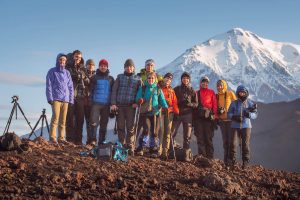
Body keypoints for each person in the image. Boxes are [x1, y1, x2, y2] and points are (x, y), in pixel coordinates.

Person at [110, 59, 142, 155]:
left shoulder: (138, 79)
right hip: (119, 106)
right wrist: (113, 103)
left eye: (131, 66)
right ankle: (121, 145)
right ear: (124, 67)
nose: (129, 68)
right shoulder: (119, 77)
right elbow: (114, 90)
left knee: (130, 127)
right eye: (127, 66)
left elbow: (140, 93)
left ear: (133, 68)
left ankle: (130, 146)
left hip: (131, 107)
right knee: (120, 126)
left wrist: (137, 102)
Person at [135, 72, 168, 158]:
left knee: (155, 132)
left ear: (155, 80)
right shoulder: (143, 88)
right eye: (149, 78)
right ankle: (141, 147)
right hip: (145, 113)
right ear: (146, 79)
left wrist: (165, 107)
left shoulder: (158, 89)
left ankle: (153, 149)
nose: (150, 80)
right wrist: (139, 100)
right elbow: (137, 97)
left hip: (155, 113)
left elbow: (162, 99)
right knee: (146, 129)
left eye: (152, 78)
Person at [227, 85, 257, 169]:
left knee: (245, 145)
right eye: (240, 92)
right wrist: (234, 117)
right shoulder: (234, 103)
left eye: (243, 92)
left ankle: (245, 162)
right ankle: (232, 162)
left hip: (246, 126)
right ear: (237, 93)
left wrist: (250, 114)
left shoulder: (250, 103)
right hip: (234, 126)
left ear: (246, 93)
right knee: (233, 144)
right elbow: (228, 114)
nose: (242, 94)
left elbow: (255, 114)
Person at [46, 53, 74, 143]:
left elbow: (70, 87)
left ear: (66, 62)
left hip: (65, 100)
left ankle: (61, 138)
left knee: (63, 120)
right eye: (61, 59)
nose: (62, 61)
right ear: (57, 60)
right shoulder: (52, 71)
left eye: (64, 60)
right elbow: (48, 85)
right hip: (56, 99)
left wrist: (71, 99)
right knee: (55, 118)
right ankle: (52, 138)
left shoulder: (67, 73)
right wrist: (50, 98)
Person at [171, 72, 198, 160]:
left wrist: (190, 104)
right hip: (177, 114)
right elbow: (172, 101)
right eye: (184, 78)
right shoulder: (176, 89)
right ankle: (170, 152)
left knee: (187, 136)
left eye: (187, 78)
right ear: (181, 79)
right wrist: (179, 103)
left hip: (188, 115)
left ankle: (186, 155)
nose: (185, 80)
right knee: (172, 133)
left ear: (189, 80)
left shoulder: (192, 90)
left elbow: (196, 104)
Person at [65, 50, 89, 145]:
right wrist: (76, 75)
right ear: (73, 57)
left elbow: (88, 81)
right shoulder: (68, 66)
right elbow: (68, 77)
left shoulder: (83, 68)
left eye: (79, 57)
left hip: (80, 96)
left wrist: (82, 76)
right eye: (76, 57)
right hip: (70, 96)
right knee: (70, 118)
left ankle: (78, 140)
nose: (78, 59)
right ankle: (70, 139)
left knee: (80, 119)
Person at [90, 59, 114, 145]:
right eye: (101, 65)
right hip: (96, 103)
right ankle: (93, 140)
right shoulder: (94, 77)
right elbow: (91, 91)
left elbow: (112, 92)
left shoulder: (111, 79)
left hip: (106, 105)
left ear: (107, 67)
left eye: (105, 66)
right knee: (94, 122)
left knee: (104, 124)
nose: (103, 67)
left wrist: (112, 104)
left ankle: (102, 141)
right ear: (99, 66)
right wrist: (91, 103)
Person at [193, 76, 217, 159]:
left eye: (206, 82)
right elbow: (194, 106)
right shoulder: (196, 93)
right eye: (203, 82)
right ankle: (202, 157)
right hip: (198, 118)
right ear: (200, 83)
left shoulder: (211, 92)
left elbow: (214, 104)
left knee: (208, 138)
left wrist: (214, 115)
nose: (205, 83)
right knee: (200, 138)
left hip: (209, 118)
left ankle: (210, 158)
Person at [158, 73, 179, 160]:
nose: (168, 80)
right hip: (160, 112)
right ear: (164, 79)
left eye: (170, 79)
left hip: (169, 113)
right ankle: (158, 150)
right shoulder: (159, 88)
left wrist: (176, 111)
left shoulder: (171, 90)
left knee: (167, 132)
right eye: (167, 78)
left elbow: (174, 102)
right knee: (160, 131)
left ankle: (165, 152)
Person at [216, 79, 237, 165]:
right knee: (225, 141)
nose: (219, 87)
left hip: (231, 121)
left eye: (221, 85)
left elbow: (236, 105)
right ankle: (226, 161)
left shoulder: (230, 93)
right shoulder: (216, 96)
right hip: (222, 122)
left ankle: (232, 160)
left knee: (232, 142)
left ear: (224, 85)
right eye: (218, 85)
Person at [84, 59, 96, 145]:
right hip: (84, 101)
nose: (91, 66)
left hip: (94, 102)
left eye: (92, 65)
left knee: (93, 122)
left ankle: (92, 139)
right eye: (89, 65)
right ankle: (89, 139)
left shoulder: (96, 76)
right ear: (86, 65)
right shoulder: (83, 74)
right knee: (87, 121)